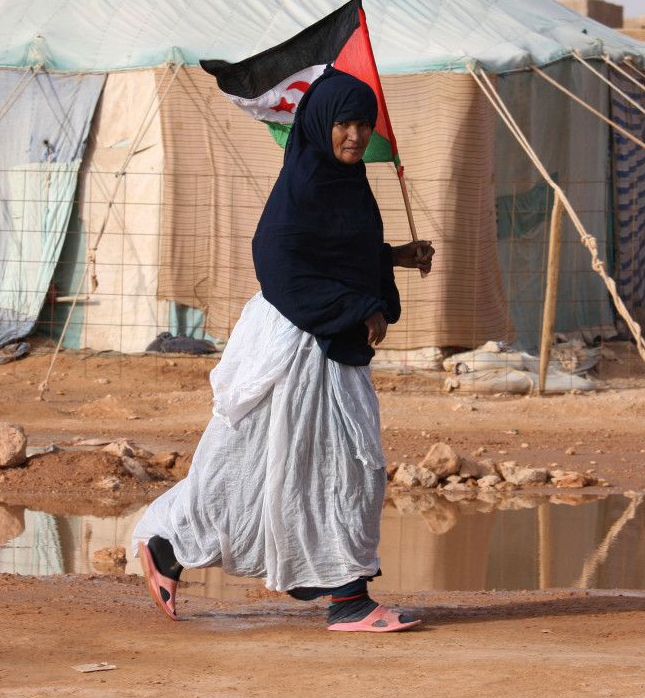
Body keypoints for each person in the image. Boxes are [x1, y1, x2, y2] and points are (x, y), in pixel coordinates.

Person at [131, 67, 434, 632]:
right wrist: (357, 308)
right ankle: (347, 599)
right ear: (322, 122)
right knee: (329, 463)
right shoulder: (304, 186)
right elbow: (281, 266)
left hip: (326, 346)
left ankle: (174, 548)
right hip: (296, 344)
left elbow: (339, 250)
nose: (355, 135)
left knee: (292, 465)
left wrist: (395, 256)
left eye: (364, 124)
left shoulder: (346, 183)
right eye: (345, 122)